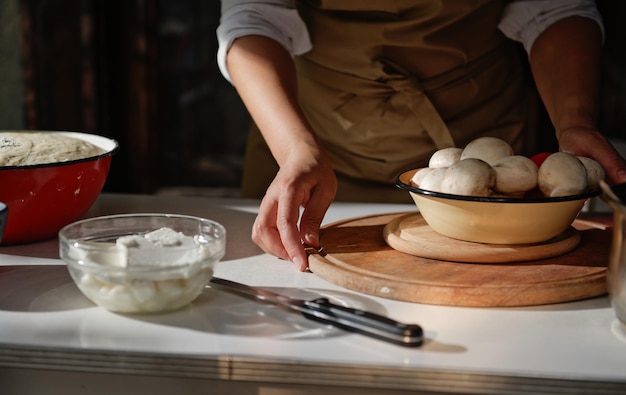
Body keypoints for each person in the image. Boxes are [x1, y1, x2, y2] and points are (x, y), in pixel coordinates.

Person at [217, 0, 626, 271]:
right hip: (311, 135)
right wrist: (296, 150)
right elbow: (255, 17)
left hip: (483, 138)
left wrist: (574, 120)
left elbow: (553, 8)